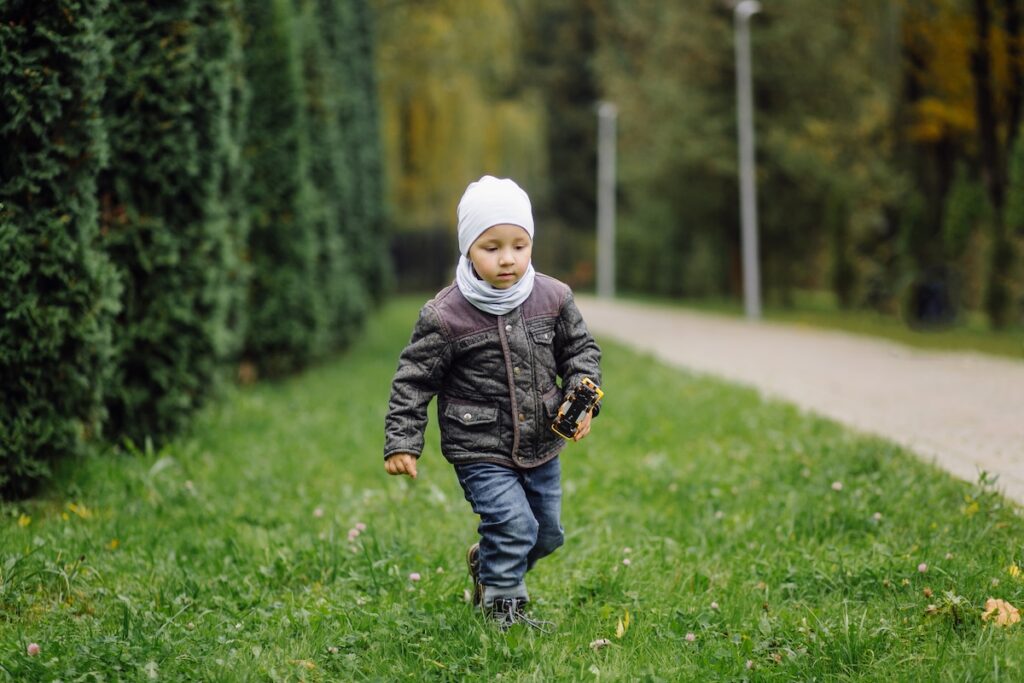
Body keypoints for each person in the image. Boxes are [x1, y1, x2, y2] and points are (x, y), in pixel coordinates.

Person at [383, 175, 602, 630]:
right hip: (480, 447)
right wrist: (403, 440)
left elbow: (581, 351)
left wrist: (582, 397)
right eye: (491, 247)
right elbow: (413, 380)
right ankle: (504, 611)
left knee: (546, 534)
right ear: (468, 249)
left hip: (543, 439)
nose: (507, 259)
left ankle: (488, 564)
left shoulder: (554, 298)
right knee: (515, 527)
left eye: (519, 246)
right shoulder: (445, 315)